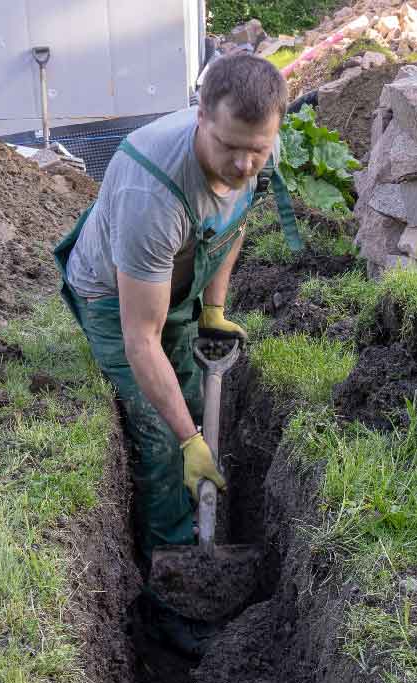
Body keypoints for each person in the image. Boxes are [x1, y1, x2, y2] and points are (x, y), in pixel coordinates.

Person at [54, 52, 296, 560]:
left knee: (186, 398)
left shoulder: (254, 149)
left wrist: (213, 309)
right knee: (164, 440)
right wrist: (188, 441)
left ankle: (199, 523)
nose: (243, 165)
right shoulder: (154, 195)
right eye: (229, 147)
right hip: (112, 293)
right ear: (201, 115)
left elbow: (232, 225)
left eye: (257, 150)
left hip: (179, 279)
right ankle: (171, 579)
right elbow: (141, 340)